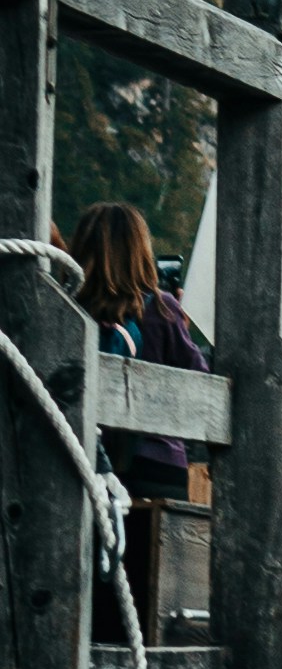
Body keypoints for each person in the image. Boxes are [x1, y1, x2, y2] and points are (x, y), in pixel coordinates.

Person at [71, 204, 210, 494]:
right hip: (157, 465)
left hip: (84, 460)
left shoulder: (69, 311)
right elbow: (202, 383)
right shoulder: (162, 309)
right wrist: (179, 325)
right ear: (140, 252)